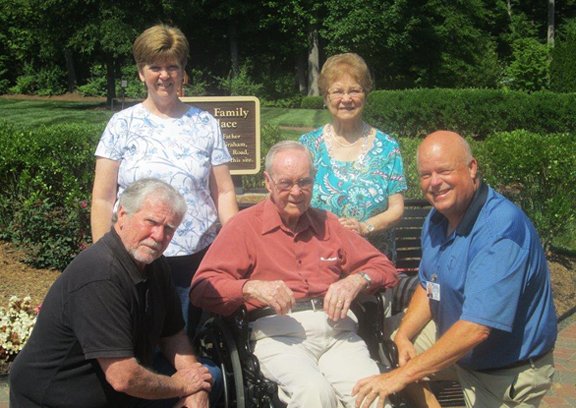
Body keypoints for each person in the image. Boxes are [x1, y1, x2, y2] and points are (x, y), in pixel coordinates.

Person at [353, 131, 557, 408]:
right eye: (426, 175)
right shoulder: (438, 219)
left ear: (472, 169)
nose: (434, 182)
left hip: (504, 369)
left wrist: (400, 376)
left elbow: (476, 329)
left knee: (402, 371)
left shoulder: (500, 230)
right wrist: (402, 336)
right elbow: (428, 284)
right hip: (459, 344)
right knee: (393, 338)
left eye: (444, 171)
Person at [190, 140, 399, 408]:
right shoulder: (244, 226)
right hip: (278, 334)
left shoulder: (329, 223)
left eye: (305, 182)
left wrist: (356, 280)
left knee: (373, 398)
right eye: (286, 183)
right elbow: (202, 288)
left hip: (338, 333)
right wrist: (250, 288)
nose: (296, 192)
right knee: (315, 395)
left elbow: (384, 269)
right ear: (268, 182)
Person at [10, 178, 221, 408]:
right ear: (122, 215)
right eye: (150, 222)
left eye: (169, 229)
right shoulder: (100, 275)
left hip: (119, 395)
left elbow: (173, 335)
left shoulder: (155, 265)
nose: (159, 236)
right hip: (55, 399)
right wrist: (182, 386)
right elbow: (123, 377)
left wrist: (195, 384)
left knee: (212, 378)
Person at [90, 24, 238, 333]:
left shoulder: (206, 124)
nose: (164, 75)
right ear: (141, 72)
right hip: (136, 257)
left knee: (188, 341)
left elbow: (223, 192)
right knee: (138, 340)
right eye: (154, 66)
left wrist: (235, 243)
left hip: (195, 258)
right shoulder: (121, 125)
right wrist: (103, 258)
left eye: (172, 66)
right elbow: (103, 197)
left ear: (183, 72)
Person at [299, 52, 406, 261]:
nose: (346, 99)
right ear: (325, 97)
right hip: (318, 261)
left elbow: (397, 208)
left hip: (373, 263)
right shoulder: (307, 146)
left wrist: (364, 227)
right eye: (337, 91)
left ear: (365, 94)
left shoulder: (387, 147)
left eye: (354, 91)